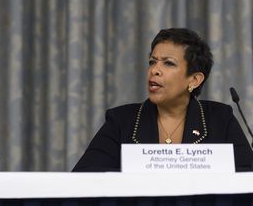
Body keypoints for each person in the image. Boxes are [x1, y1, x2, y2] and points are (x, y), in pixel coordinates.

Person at [73, 28, 253, 172]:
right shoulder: (122, 120)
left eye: (168, 63)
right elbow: (85, 179)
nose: (154, 70)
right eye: (152, 61)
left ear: (194, 80)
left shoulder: (220, 118)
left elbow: (246, 178)